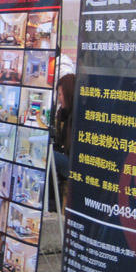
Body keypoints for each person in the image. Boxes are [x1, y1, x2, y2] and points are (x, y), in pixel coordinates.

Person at [50, 73, 75, 212]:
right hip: (66, 159)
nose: (58, 98)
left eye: (60, 94)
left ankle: (52, 205)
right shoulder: (65, 115)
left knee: (50, 157)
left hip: (74, 165)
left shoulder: (76, 118)